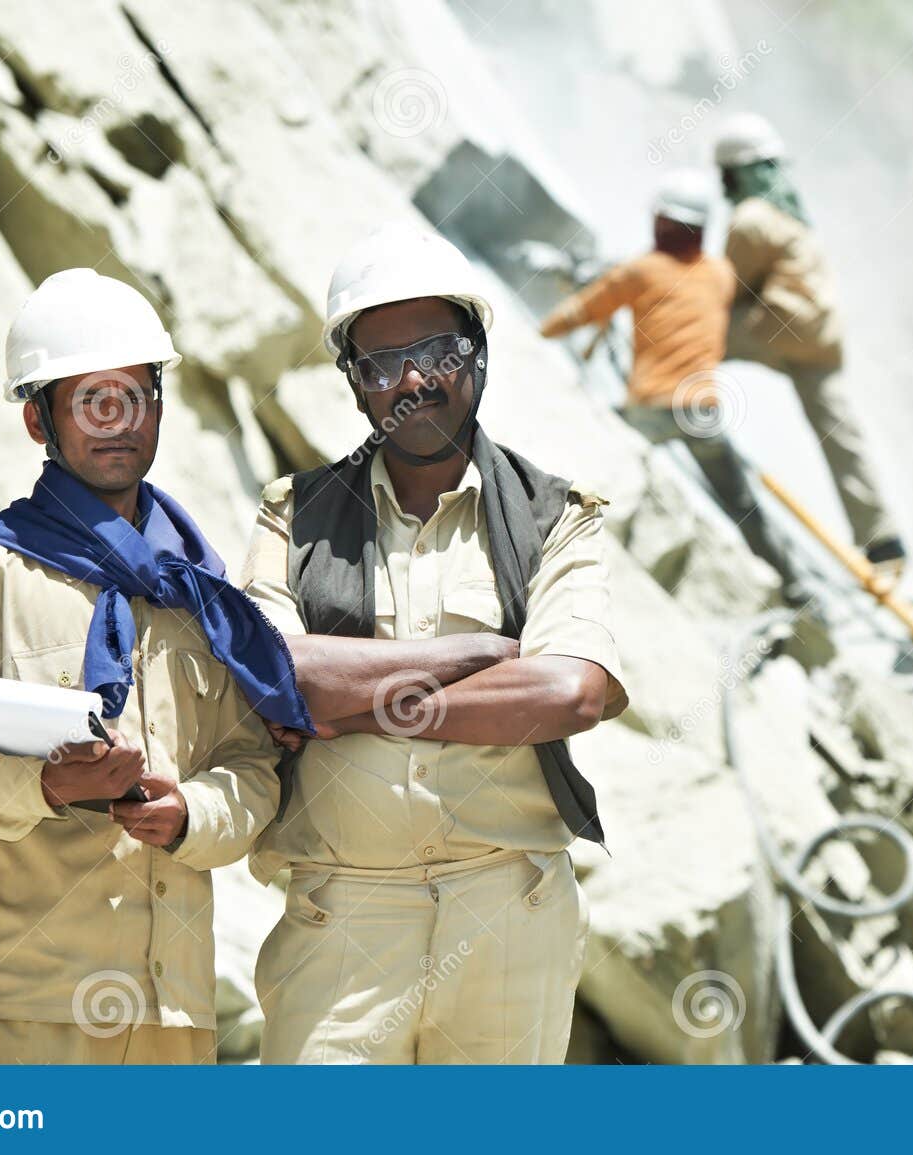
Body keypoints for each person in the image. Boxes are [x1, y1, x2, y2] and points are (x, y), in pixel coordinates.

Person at [0, 268, 306, 1065]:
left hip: (177, 1019)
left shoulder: (199, 592)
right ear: (39, 420)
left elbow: (252, 763)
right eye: (89, 401)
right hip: (31, 1018)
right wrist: (42, 785)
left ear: (160, 409)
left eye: (132, 397)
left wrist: (191, 815)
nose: (116, 422)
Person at [242, 225, 628, 1064]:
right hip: (340, 918)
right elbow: (276, 675)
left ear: (479, 356)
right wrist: (479, 656)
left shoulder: (555, 517)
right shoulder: (293, 516)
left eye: (438, 352)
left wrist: (362, 706)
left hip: (509, 911)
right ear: (355, 386)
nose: (413, 380)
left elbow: (569, 695)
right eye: (382, 364)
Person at [540, 170, 806, 593]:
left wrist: (536, 335)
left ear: (664, 222)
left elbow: (578, 313)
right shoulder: (720, 275)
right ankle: (794, 584)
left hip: (651, 407)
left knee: (592, 464)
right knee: (741, 505)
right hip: (702, 410)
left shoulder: (643, 271)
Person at [713, 112, 904, 572]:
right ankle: (883, 540)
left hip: (780, 327)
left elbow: (728, 289)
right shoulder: (793, 212)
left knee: (693, 330)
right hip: (821, 336)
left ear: (731, 172)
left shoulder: (751, 219)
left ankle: (656, 399)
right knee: (838, 430)